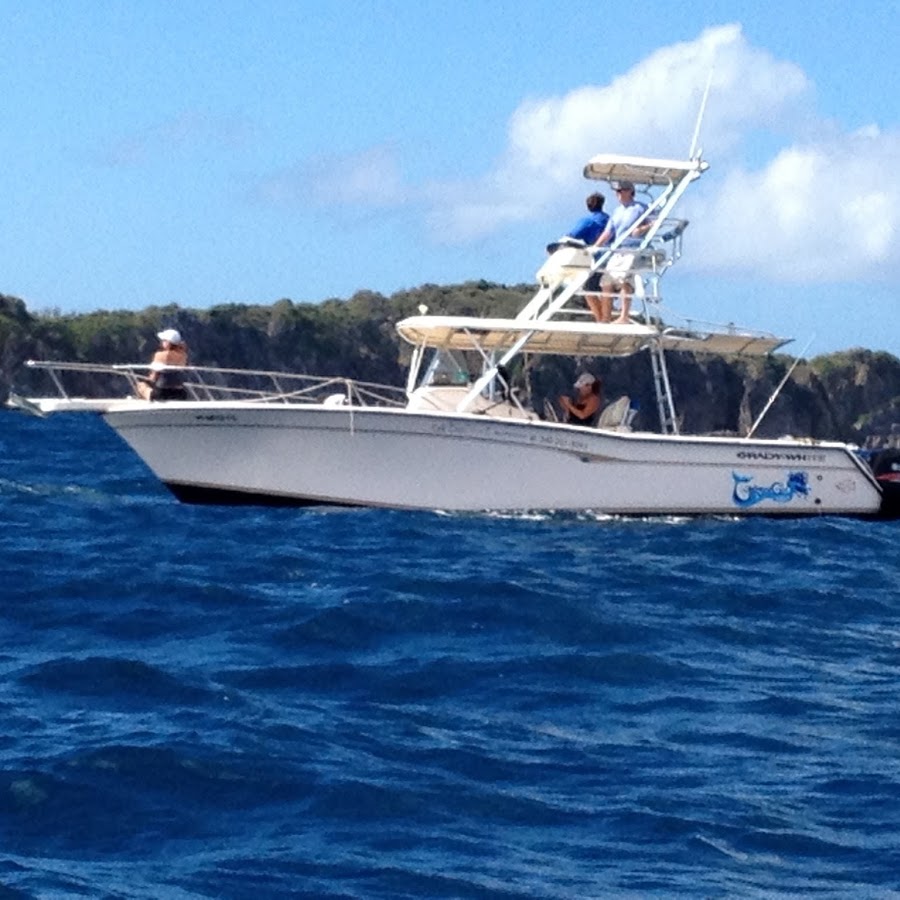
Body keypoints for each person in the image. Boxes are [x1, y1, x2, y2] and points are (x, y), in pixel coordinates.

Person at [585, 180, 652, 324]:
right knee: (606, 282)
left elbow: (654, 222)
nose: (618, 194)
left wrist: (641, 230)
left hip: (632, 249)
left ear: (630, 191)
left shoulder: (641, 208)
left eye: (620, 191)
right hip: (617, 250)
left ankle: (624, 316)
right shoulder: (617, 211)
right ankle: (605, 319)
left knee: (624, 281)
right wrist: (595, 247)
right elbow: (608, 232)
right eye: (617, 191)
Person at [136, 328, 189, 400]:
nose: (162, 342)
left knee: (141, 385)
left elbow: (153, 377)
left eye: (164, 340)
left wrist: (148, 380)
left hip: (162, 393)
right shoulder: (183, 356)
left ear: (168, 343)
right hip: (180, 393)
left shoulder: (160, 355)